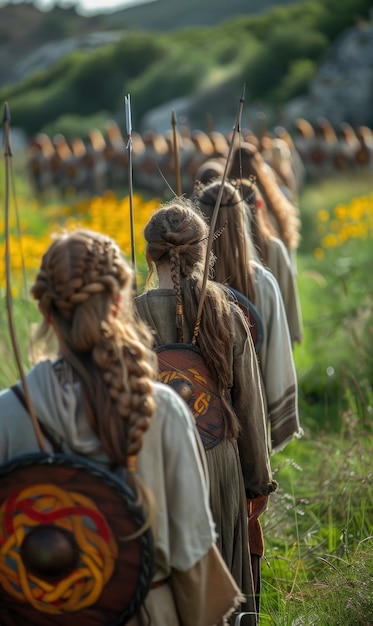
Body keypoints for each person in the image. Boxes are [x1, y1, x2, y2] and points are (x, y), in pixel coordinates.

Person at [0, 228, 241, 626]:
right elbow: (192, 554)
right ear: (118, 302)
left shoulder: (9, 413)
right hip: (147, 613)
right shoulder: (161, 410)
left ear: (45, 310)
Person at [135, 199, 277, 622]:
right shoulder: (228, 313)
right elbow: (250, 411)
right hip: (219, 466)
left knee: (164, 594)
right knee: (221, 599)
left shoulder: (126, 319)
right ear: (203, 253)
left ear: (149, 254)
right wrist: (257, 485)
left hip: (152, 471)